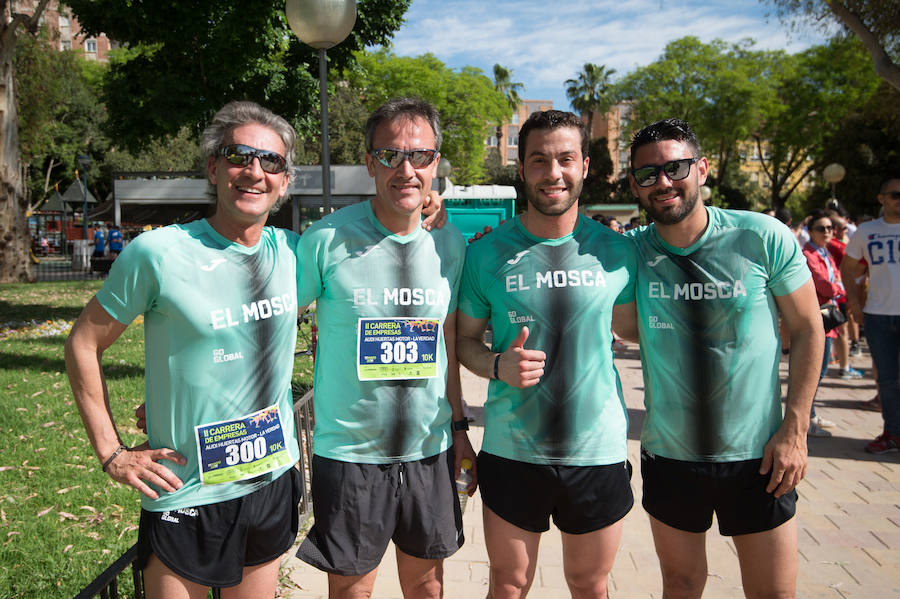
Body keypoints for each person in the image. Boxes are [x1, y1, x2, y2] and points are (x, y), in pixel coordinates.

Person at [65, 101, 306, 598]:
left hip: (268, 478)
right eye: (239, 155)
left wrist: (427, 211)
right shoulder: (159, 254)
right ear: (214, 168)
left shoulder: (299, 254)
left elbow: (381, 238)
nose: (254, 171)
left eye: (271, 162)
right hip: (185, 490)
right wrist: (112, 453)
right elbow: (83, 344)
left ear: (285, 181)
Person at [620, 118, 823, 599]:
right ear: (634, 184)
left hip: (759, 455)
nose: (663, 182)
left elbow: (808, 327)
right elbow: (561, 238)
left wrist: (795, 430)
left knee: (774, 592)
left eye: (676, 167)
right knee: (683, 586)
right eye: (648, 174)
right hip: (671, 455)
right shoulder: (628, 252)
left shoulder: (760, 236)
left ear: (702, 168)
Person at [295, 97, 475, 599]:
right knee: (353, 593)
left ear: (435, 162)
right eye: (391, 155)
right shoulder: (327, 239)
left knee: (428, 589)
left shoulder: (450, 246)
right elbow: (268, 323)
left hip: (429, 451)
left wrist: (460, 429)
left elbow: (449, 347)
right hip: (351, 453)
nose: (406, 168)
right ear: (370, 162)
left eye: (420, 155)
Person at [456, 109, 636, 599]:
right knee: (509, 586)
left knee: (589, 585)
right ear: (522, 168)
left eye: (565, 159)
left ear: (586, 166)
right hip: (514, 450)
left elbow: (638, 329)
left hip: (596, 449)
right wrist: (496, 365)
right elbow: (463, 343)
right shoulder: (486, 254)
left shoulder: (618, 253)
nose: (552, 173)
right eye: (538, 160)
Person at [841, 176, 900, 454]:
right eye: (895, 194)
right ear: (882, 199)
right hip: (878, 314)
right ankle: (893, 433)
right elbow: (848, 267)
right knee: (886, 379)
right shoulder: (867, 231)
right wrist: (854, 302)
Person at [802, 209, 845, 437]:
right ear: (810, 231)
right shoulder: (808, 254)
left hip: (828, 317)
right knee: (814, 372)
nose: (827, 232)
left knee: (821, 370)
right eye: (821, 228)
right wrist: (836, 287)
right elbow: (827, 286)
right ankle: (806, 420)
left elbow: (837, 280)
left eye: (830, 228)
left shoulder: (825, 254)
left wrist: (836, 286)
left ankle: (811, 414)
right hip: (817, 317)